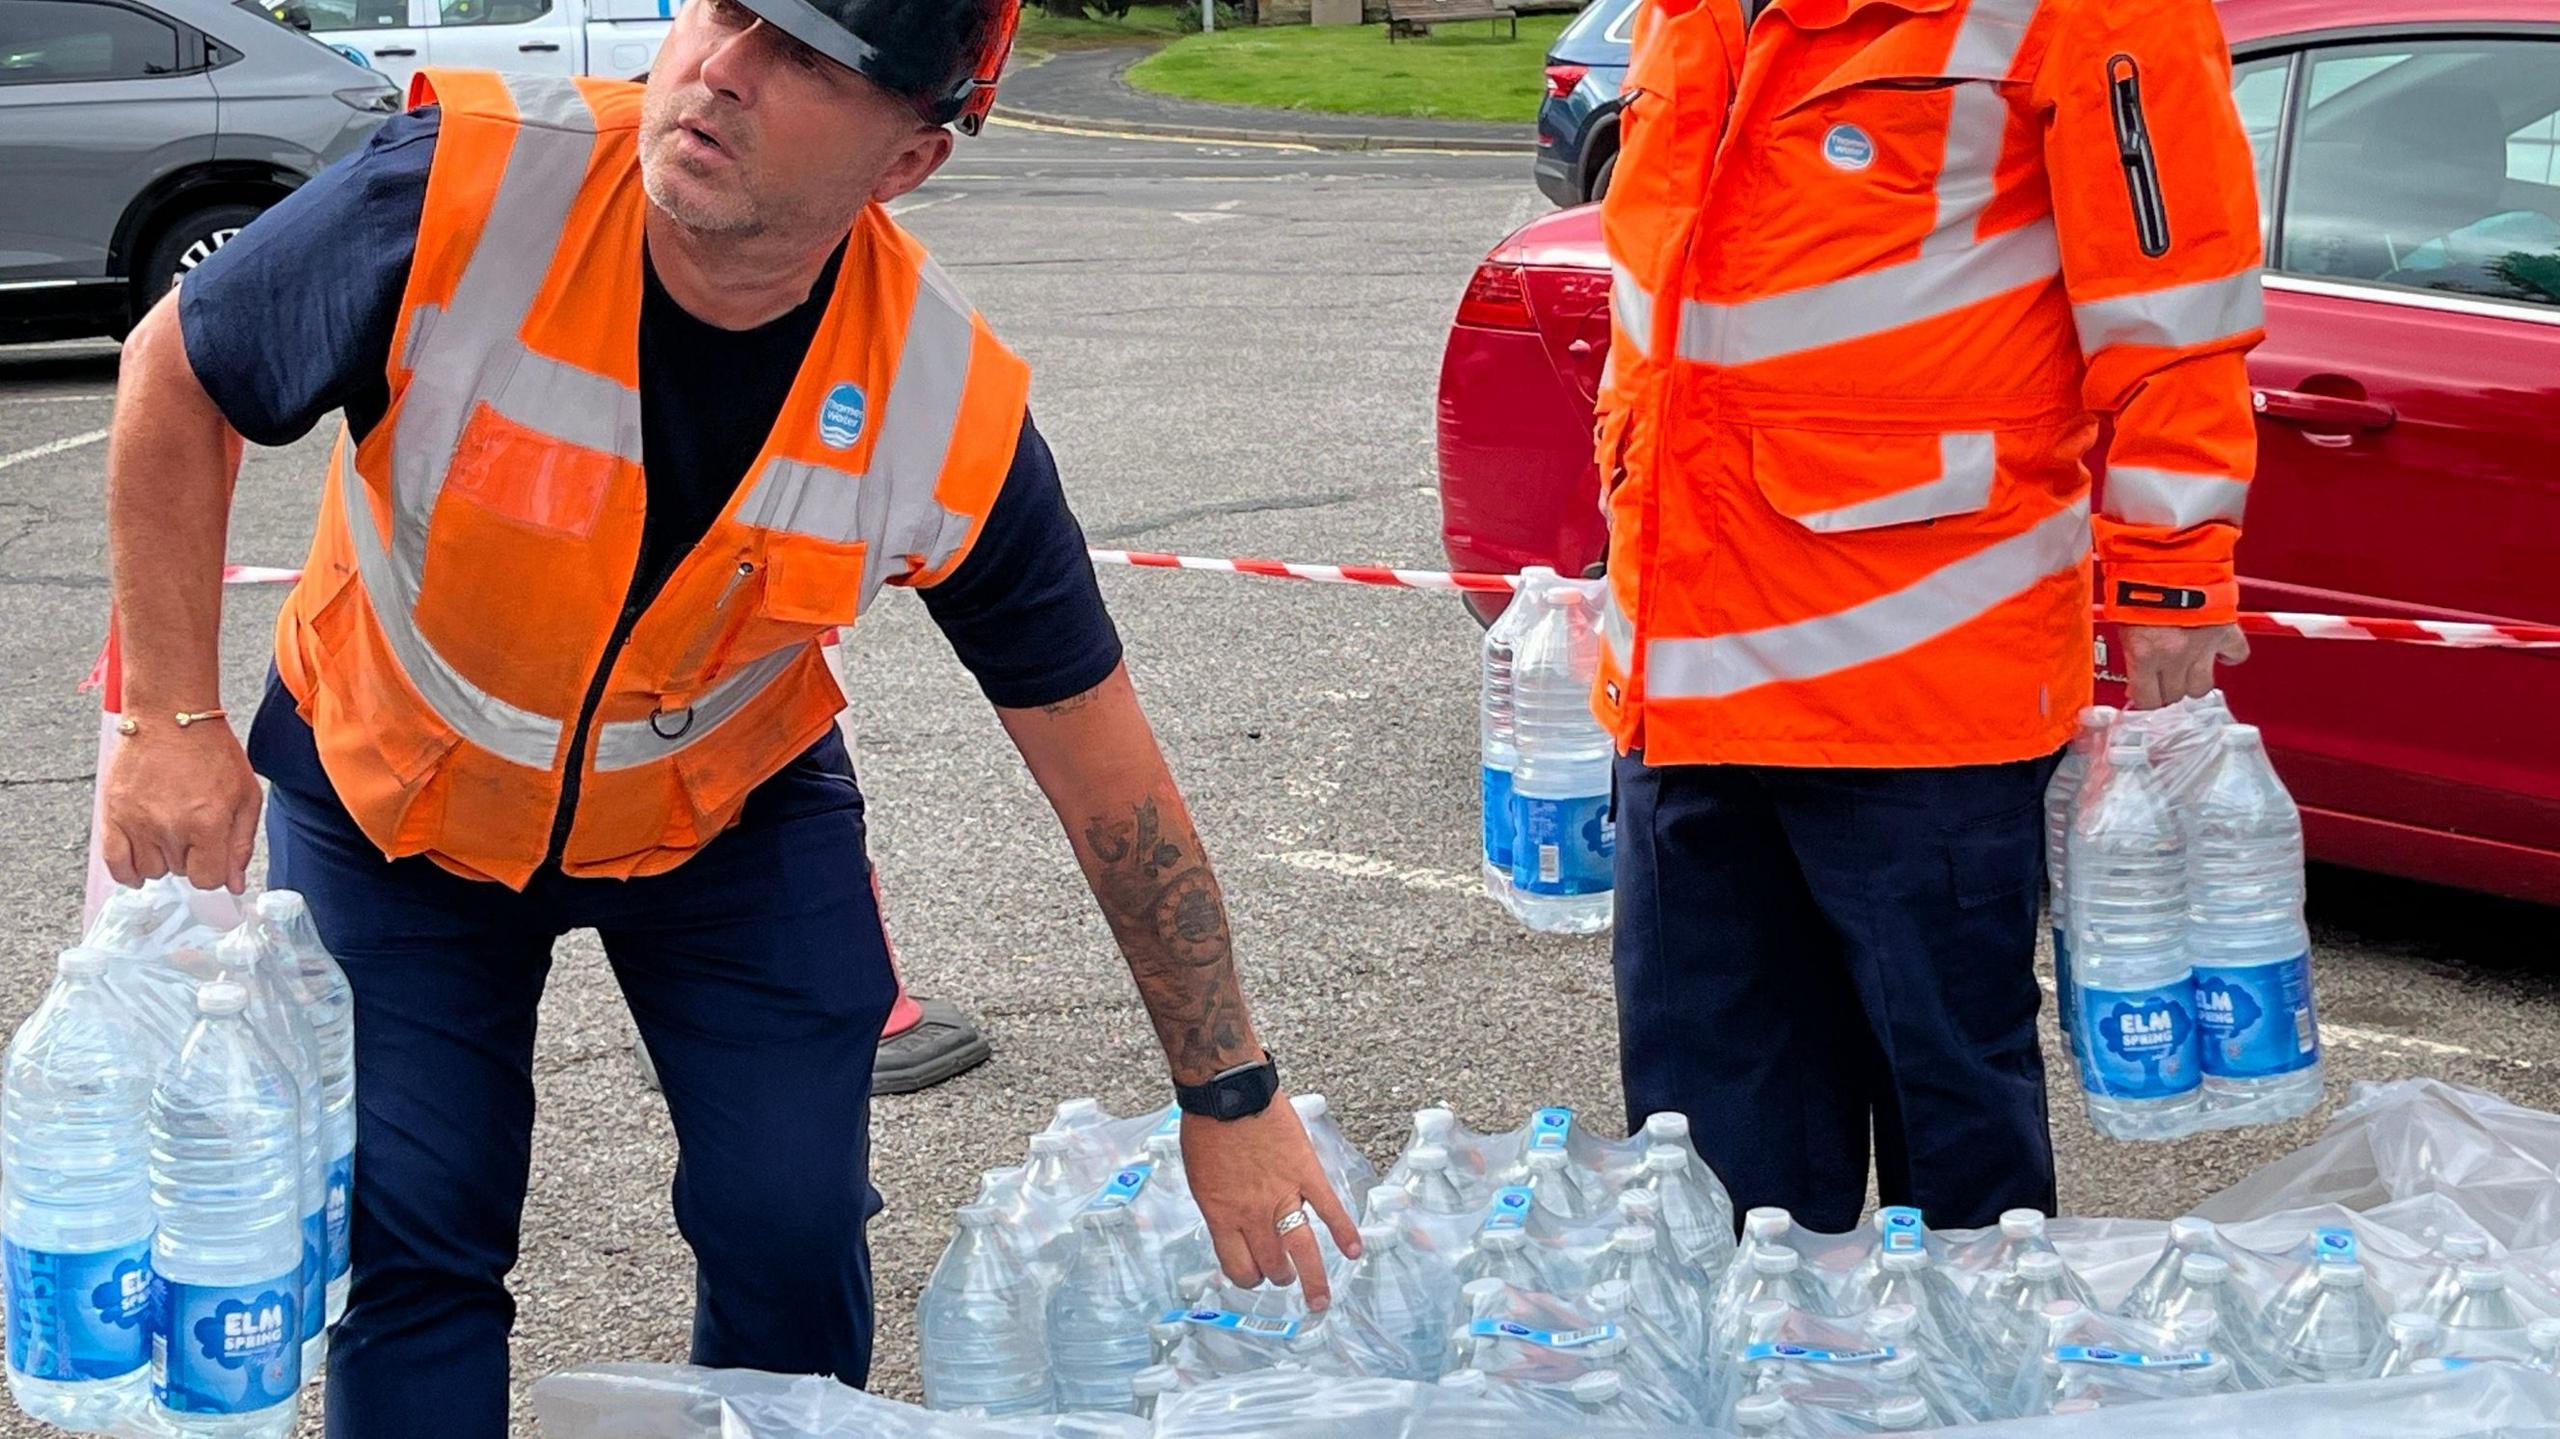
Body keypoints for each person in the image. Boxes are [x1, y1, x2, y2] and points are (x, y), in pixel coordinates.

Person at [97, 0, 1359, 1432]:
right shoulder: (462, 188)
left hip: (721, 821)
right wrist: (171, 714)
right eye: (727, 10)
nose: (723, 73)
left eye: (811, 61)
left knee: (789, 1219)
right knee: (416, 1231)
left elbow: (1104, 772)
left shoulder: (941, 406)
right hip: (392, 792)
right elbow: (176, 363)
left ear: (907, 164)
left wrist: (1232, 1089)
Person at [1592, 0, 2263, 1230]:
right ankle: (1747, 1401)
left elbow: (2178, 310)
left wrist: (2170, 570)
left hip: (1919, 689)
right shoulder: (1685, 13)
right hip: (1681, 678)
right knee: (1705, 1158)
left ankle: (1951, 1401)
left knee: (1952, 1156)